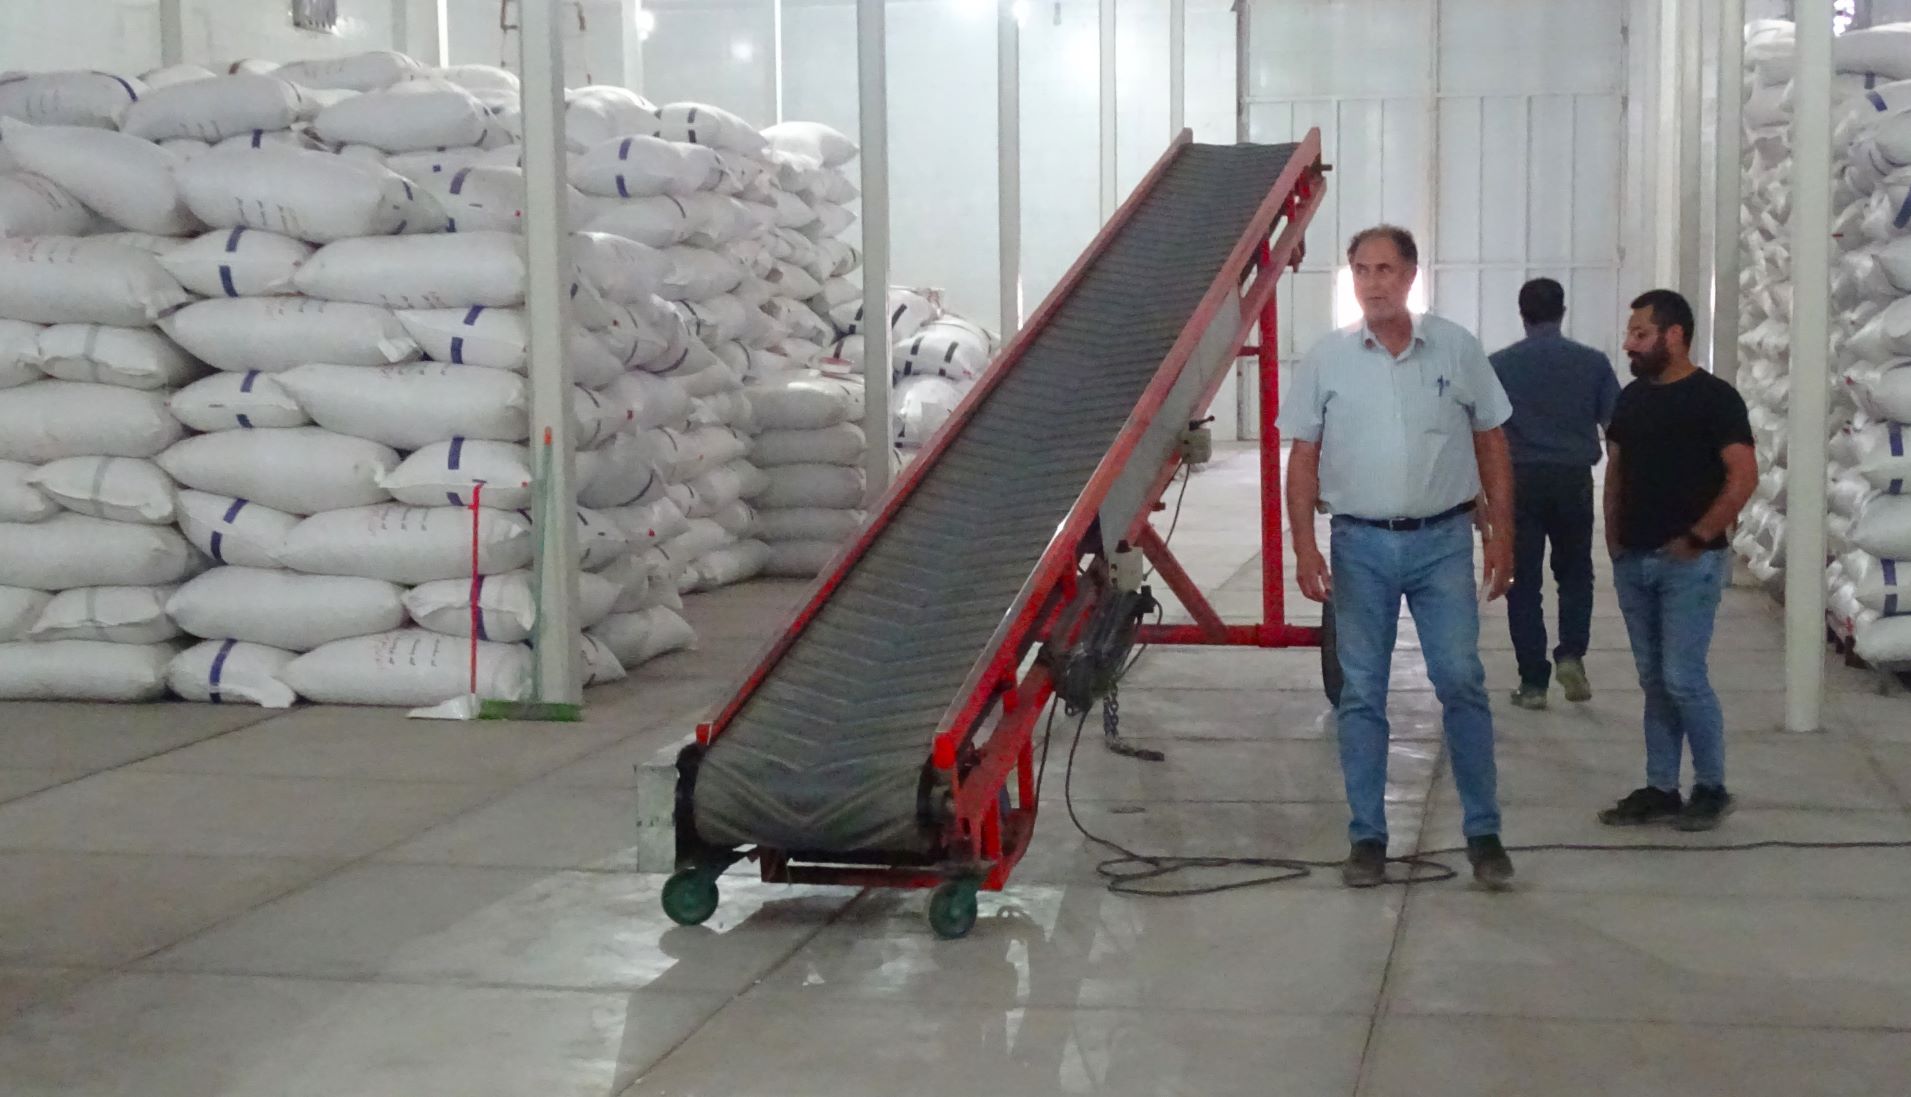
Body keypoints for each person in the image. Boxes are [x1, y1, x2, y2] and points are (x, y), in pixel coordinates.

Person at [1280, 225, 1518, 890]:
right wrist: (1303, 544)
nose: (1373, 282)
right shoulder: (1327, 360)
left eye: (1385, 268)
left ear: (1411, 275)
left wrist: (1501, 531)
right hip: (1358, 546)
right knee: (1361, 692)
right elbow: (1300, 457)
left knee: (1460, 679)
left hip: (1443, 542)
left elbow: (1492, 440)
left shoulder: (1455, 348)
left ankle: (1483, 831)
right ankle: (1367, 836)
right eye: (1361, 270)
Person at [1599, 289, 1757, 832]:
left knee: (1683, 677)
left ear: (1674, 336)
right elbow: (1616, 470)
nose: (1629, 344)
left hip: (1690, 563)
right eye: (1630, 334)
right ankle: (1661, 787)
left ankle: (1711, 786)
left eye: (1640, 334)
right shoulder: (1631, 399)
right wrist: (1613, 537)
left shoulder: (1716, 399)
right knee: (1654, 679)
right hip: (1634, 560)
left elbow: (1743, 477)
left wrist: (1699, 536)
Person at [1489, 278, 1621, 710]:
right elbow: (1615, 428)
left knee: (1521, 581)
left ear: (1521, 313)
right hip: (1573, 480)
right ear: (1563, 312)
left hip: (1518, 480)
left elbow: (1481, 433)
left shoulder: (1499, 366)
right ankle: (1571, 654)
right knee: (1575, 572)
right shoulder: (1593, 363)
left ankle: (1532, 683)